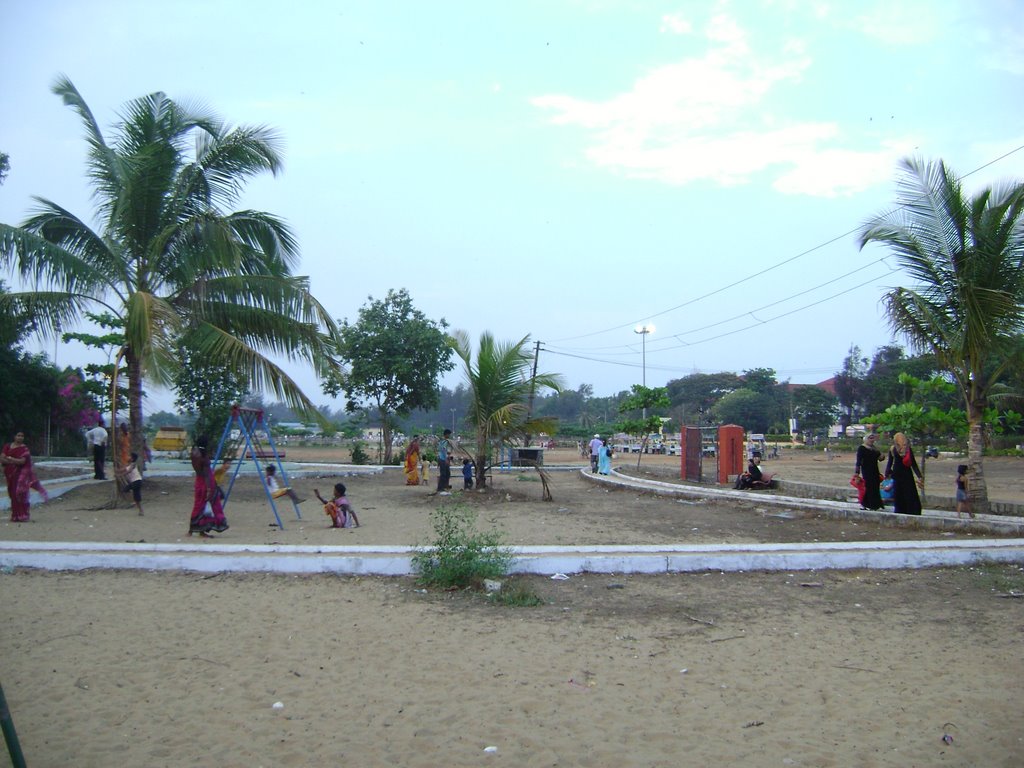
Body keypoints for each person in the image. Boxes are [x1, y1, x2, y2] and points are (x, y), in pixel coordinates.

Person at [2, 431, 46, 522]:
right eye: (18, 435)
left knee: (19, 493)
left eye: (22, 436)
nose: (20, 437)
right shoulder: (7, 446)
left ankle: (23, 515)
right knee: (12, 494)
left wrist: (10, 459)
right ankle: (15, 516)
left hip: (20, 475)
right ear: (14, 436)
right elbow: (2, 458)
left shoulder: (24, 449)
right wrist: (13, 461)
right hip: (10, 474)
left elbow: (22, 461)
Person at [189, 434, 228, 536]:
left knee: (199, 505)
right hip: (207, 482)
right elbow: (206, 474)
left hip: (198, 480)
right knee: (212, 504)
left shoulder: (194, 453)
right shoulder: (204, 457)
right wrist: (209, 488)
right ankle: (205, 528)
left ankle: (192, 529)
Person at [884, 432, 924, 515]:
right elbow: (890, 462)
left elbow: (913, 463)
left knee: (908, 493)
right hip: (899, 474)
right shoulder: (893, 449)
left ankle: (910, 511)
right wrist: (887, 474)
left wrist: (919, 476)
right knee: (900, 494)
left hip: (905, 474)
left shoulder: (907, 450)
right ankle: (903, 510)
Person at [853, 433, 884, 510]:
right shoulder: (862, 448)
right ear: (866, 439)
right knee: (869, 486)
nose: (872, 440)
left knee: (875, 487)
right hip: (867, 470)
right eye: (870, 438)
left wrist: (882, 456)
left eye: (873, 438)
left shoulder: (874, 448)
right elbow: (858, 462)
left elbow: (880, 458)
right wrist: (857, 474)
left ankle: (871, 504)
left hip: (875, 470)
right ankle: (870, 504)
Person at [117, 451, 144, 516]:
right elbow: (122, 469)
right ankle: (140, 509)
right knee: (135, 495)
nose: (128, 457)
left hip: (136, 481)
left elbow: (128, 471)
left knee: (126, 490)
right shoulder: (128, 465)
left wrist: (120, 475)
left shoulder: (133, 464)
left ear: (132, 458)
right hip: (136, 482)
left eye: (129, 456)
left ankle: (137, 506)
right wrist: (116, 471)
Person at [433, 429, 454, 494]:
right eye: (449, 434)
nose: (449, 435)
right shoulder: (445, 442)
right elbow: (445, 451)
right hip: (443, 459)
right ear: (446, 434)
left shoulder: (442, 442)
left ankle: (445, 486)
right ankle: (441, 487)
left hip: (441, 458)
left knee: (446, 473)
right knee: (444, 474)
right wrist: (447, 459)